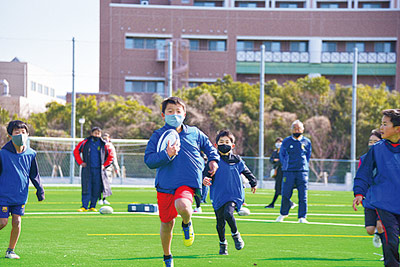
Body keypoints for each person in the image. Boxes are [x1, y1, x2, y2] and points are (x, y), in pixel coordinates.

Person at [144, 96, 220, 267]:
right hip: (165, 185)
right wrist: (166, 154)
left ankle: (187, 223)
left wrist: (213, 160)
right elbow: (149, 160)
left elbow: (209, 147)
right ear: (163, 115)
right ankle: (167, 256)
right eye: (170, 111)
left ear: (184, 114)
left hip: (187, 182)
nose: (174, 115)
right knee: (167, 224)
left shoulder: (194, 133)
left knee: (184, 206)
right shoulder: (158, 136)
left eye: (178, 111)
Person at [353, 109, 400, 267]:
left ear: (397, 128)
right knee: (390, 239)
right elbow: (364, 172)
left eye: (385, 124)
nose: (381, 127)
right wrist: (359, 192)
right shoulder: (377, 149)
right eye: (381, 123)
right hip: (384, 203)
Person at [203, 130, 257, 255]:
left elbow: (246, 172)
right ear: (216, 145)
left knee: (228, 213)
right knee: (220, 222)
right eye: (221, 142)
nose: (224, 144)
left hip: (234, 194)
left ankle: (236, 235)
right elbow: (205, 175)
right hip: (218, 195)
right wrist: (205, 179)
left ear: (232, 145)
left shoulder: (237, 160)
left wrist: (253, 182)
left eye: (227, 142)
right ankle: (223, 244)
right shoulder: (213, 161)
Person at [0, 120, 45, 259]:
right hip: (3, 195)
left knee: (17, 222)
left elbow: (34, 174)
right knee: (3, 222)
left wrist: (40, 190)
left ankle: (10, 251)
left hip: (20, 196)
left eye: (23, 132)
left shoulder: (31, 154)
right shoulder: (2, 154)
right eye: (17, 132)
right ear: (10, 135)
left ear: (28, 134)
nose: (20, 135)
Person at [276, 120, 312, 223]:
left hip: (302, 172)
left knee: (303, 195)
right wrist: (285, 165)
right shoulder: (287, 141)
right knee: (286, 194)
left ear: (303, 129)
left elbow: (308, 155)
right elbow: (282, 155)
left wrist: (304, 165)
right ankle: (283, 214)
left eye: (299, 129)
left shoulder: (307, 142)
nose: (297, 130)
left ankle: (302, 217)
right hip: (289, 171)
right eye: (295, 129)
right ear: (291, 130)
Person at [73, 127, 114, 212]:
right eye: (95, 133)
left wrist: (104, 165)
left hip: (99, 171)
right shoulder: (85, 142)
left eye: (98, 133)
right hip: (87, 170)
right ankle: (84, 206)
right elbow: (76, 151)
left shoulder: (104, 144)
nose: (97, 135)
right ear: (91, 133)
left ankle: (92, 206)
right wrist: (80, 162)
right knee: (86, 187)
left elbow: (110, 156)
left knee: (96, 188)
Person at [357, 129, 384, 251]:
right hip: (370, 198)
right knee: (370, 230)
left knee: (381, 225)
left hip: (384, 199)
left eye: (375, 141)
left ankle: (387, 252)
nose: (372, 144)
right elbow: (361, 176)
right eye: (370, 141)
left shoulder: (387, 157)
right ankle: (378, 235)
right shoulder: (363, 159)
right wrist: (359, 193)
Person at [265, 137, 295, 209]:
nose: (278, 144)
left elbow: (283, 161)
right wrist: (275, 160)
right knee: (279, 189)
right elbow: (271, 160)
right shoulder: (275, 152)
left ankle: (274, 204)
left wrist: (277, 161)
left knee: (279, 189)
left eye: (280, 142)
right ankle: (289, 203)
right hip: (277, 172)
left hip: (283, 171)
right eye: (277, 142)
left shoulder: (284, 151)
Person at [99, 133, 121, 205]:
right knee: (100, 184)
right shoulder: (99, 145)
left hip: (107, 168)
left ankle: (104, 198)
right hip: (99, 167)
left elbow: (113, 158)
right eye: (104, 138)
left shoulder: (111, 146)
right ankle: (100, 199)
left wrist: (116, 167)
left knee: (106, 184)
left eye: (106, 138)